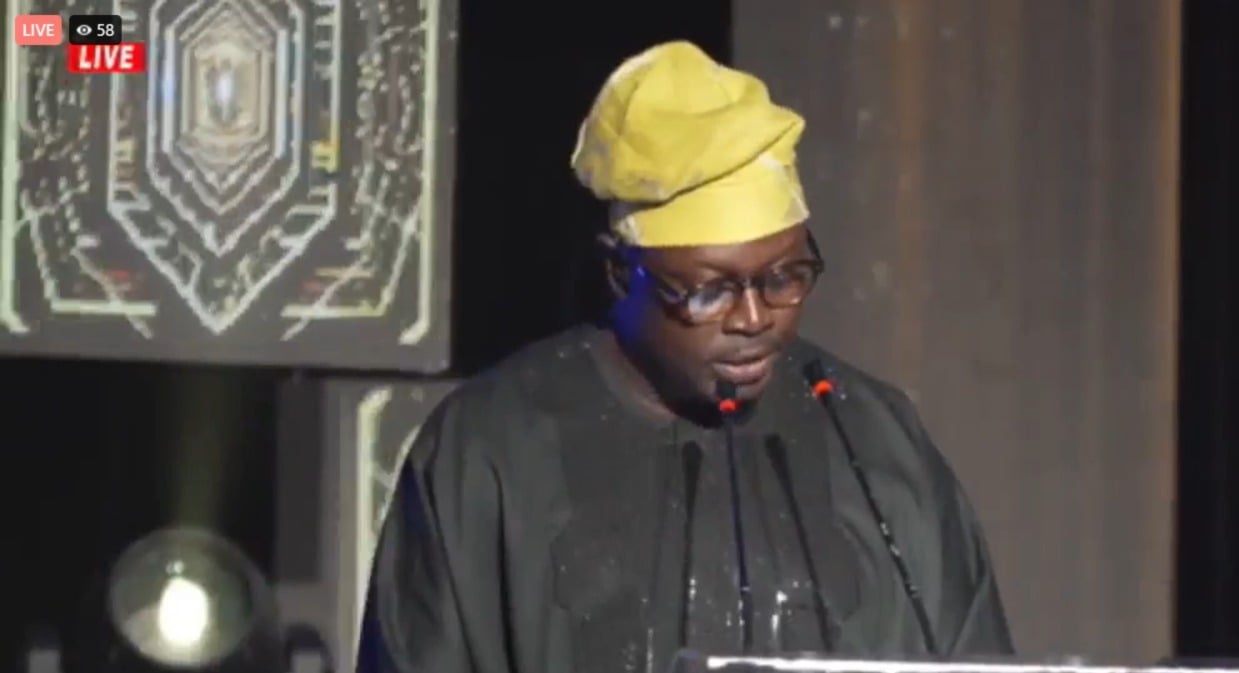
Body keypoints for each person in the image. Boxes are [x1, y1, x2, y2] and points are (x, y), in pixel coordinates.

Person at [358, 41, 1013, 673]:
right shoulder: (494, 449)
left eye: (783, 277)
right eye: (709, 291)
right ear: (621, 273)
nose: (753, 318)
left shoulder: (875, 440)